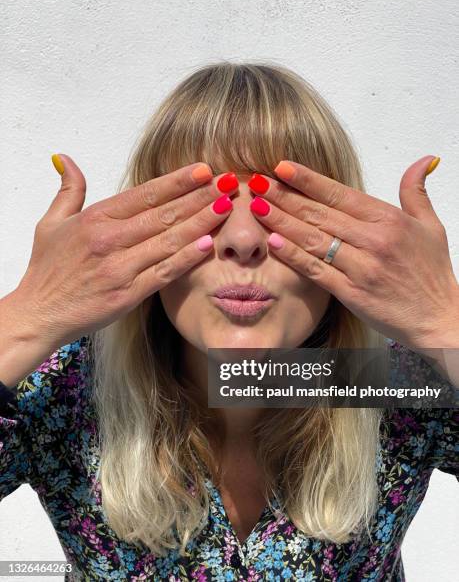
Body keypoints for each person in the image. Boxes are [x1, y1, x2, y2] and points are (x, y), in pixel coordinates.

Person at [0, 61, 457, 581]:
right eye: (206, 203)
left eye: (281, 203)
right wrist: (23, 320)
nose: (243, 239)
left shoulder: (388, 384)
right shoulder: (64, 386)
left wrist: (447, 322)